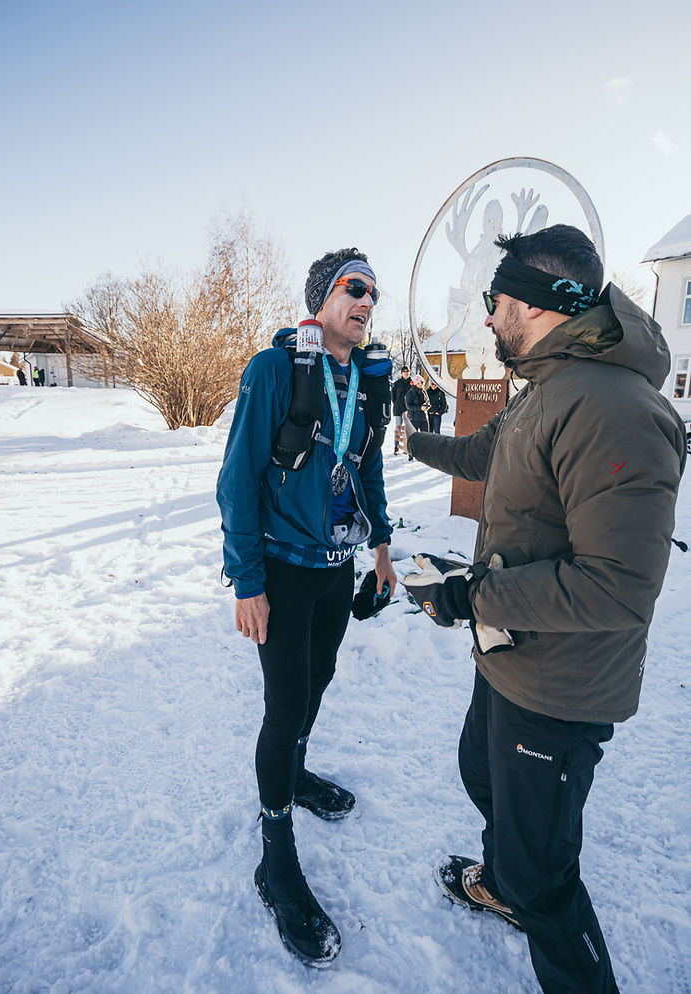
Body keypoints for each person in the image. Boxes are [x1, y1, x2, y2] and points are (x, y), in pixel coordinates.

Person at [402, 224, 686, 994]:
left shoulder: (615, 408)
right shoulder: (549, 391)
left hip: (560, 686)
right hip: (510, 656)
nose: (487, 318)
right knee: (480, 775)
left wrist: (472, 593)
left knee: (546, 876)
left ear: (532, 303)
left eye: (494, 302)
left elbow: (620, 585)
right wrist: (409, 439)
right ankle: (505, 881)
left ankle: (541, 916)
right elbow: (477, 455)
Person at [217, 247, 396, 968]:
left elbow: (372, 464)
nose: (367, 302)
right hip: (284, 574)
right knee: (286, 706)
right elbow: (236, 480)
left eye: (374, 294)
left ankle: (295, 772)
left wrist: (382, 547)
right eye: (356, 289)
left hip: (337, 569)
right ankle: (276, 857)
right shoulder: (276, 370)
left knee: (316, 686)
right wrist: (246, 580)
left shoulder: (367, 378)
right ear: (323, 297)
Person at [391, 365, 412, 453]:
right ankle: (396, 447)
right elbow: (393, 397)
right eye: (404, 372)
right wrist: (397, 404)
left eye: (407, 372)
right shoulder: (397, 383)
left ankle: (406, 448)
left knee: (407, 429)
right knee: (398, 429)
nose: (406, 373)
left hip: (409, 410)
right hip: (399, 409)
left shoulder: (412, 383)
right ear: (402, 373)